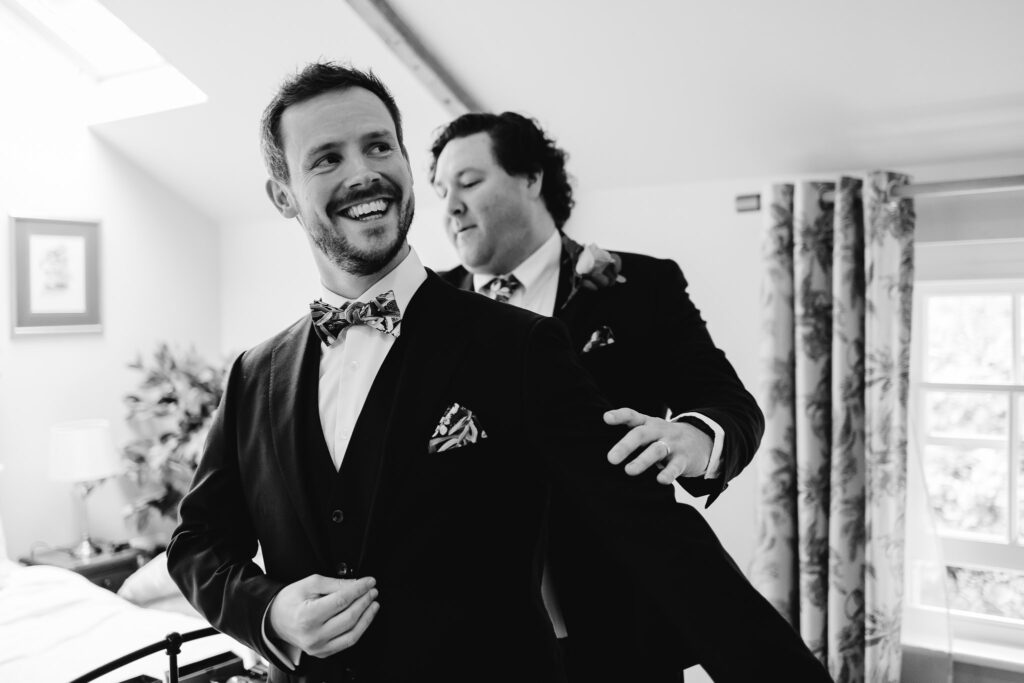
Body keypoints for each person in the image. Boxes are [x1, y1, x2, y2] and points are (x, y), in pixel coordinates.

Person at [167, 62, 831, 683]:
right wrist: (270, 612)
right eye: (327, 157)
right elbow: (198, 542)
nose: (364, 173)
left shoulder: (518, 344)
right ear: (282, 194)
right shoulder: (254, 374)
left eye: (379, 146)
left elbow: (661, 538)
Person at [430, 112, 763, 681]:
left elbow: (728, 403)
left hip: (616, 631)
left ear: (531, 179)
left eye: (468, 182)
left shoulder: (643, 289)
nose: (449, 207)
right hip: (466, 637)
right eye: (440, 192)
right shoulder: (430, 308)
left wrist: (693, 436)